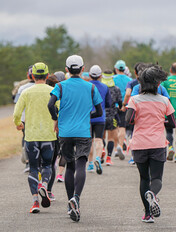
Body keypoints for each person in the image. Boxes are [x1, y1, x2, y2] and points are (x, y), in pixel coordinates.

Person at [48, 55, 103, 222]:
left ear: (66, 69)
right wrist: (88, 114)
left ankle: (70, 200)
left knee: (69, 165)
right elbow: (99, 112)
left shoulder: (60, 86)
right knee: (81, 164)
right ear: (83, 68)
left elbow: (50, 104)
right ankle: (76, 199)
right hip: (83, 132)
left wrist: (56, 117)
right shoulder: (90, 88)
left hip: (65, 132)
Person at [125, 65, 175, 223]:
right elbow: (172, 123)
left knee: (144, 179)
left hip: (139, 144)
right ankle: (153, 195)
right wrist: (160, 121)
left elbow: (129, 119)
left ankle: (147, 214)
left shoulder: (134, 100)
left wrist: (140, 119)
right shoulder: (164, 101)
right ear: (158, 84)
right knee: (157, 178)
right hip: (158, 143)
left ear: (140, 84)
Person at [13, 62, 58, 213]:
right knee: (47, 165)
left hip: (31, 135)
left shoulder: (26, 92)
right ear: (47, 75)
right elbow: (60, 110)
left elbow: (16, 113)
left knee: (33, 168)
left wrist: (18, 124)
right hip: (48, 134)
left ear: (32, 76)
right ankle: (44, 185)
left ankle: (35, 202)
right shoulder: (53, 91)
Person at [87, 65, 111, 173]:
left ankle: (90, 163)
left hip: (88, 117)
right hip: (100, 117)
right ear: (100, 76)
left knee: (90, 140)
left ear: (89, 75)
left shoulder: (86, 86)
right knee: (99, 139)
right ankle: (98, 158)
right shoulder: (105, 87)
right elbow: (109, 103)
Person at [14, 66, 35, 172]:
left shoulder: (23, 88)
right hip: (37, 117)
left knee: (26, 138)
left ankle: (27, 162)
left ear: (28, 75)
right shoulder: (43, 86)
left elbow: (17, 103)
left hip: (24, 118)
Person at [102, 70, 122, 166]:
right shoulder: (116, 89)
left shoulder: (100, 88)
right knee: (110, 138)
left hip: (100, 116)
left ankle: (101, 150)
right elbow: (120, 101)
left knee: (100, 137)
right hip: (112, 115)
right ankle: (108, 158)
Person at [113, 60, 132, 160]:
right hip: (125, 106)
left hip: (114, 106)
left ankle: (116, 148)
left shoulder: (113, 79)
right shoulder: (129, 79)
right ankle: (121, 145)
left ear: (116, 69)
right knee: (123, 127)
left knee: (115, 127)